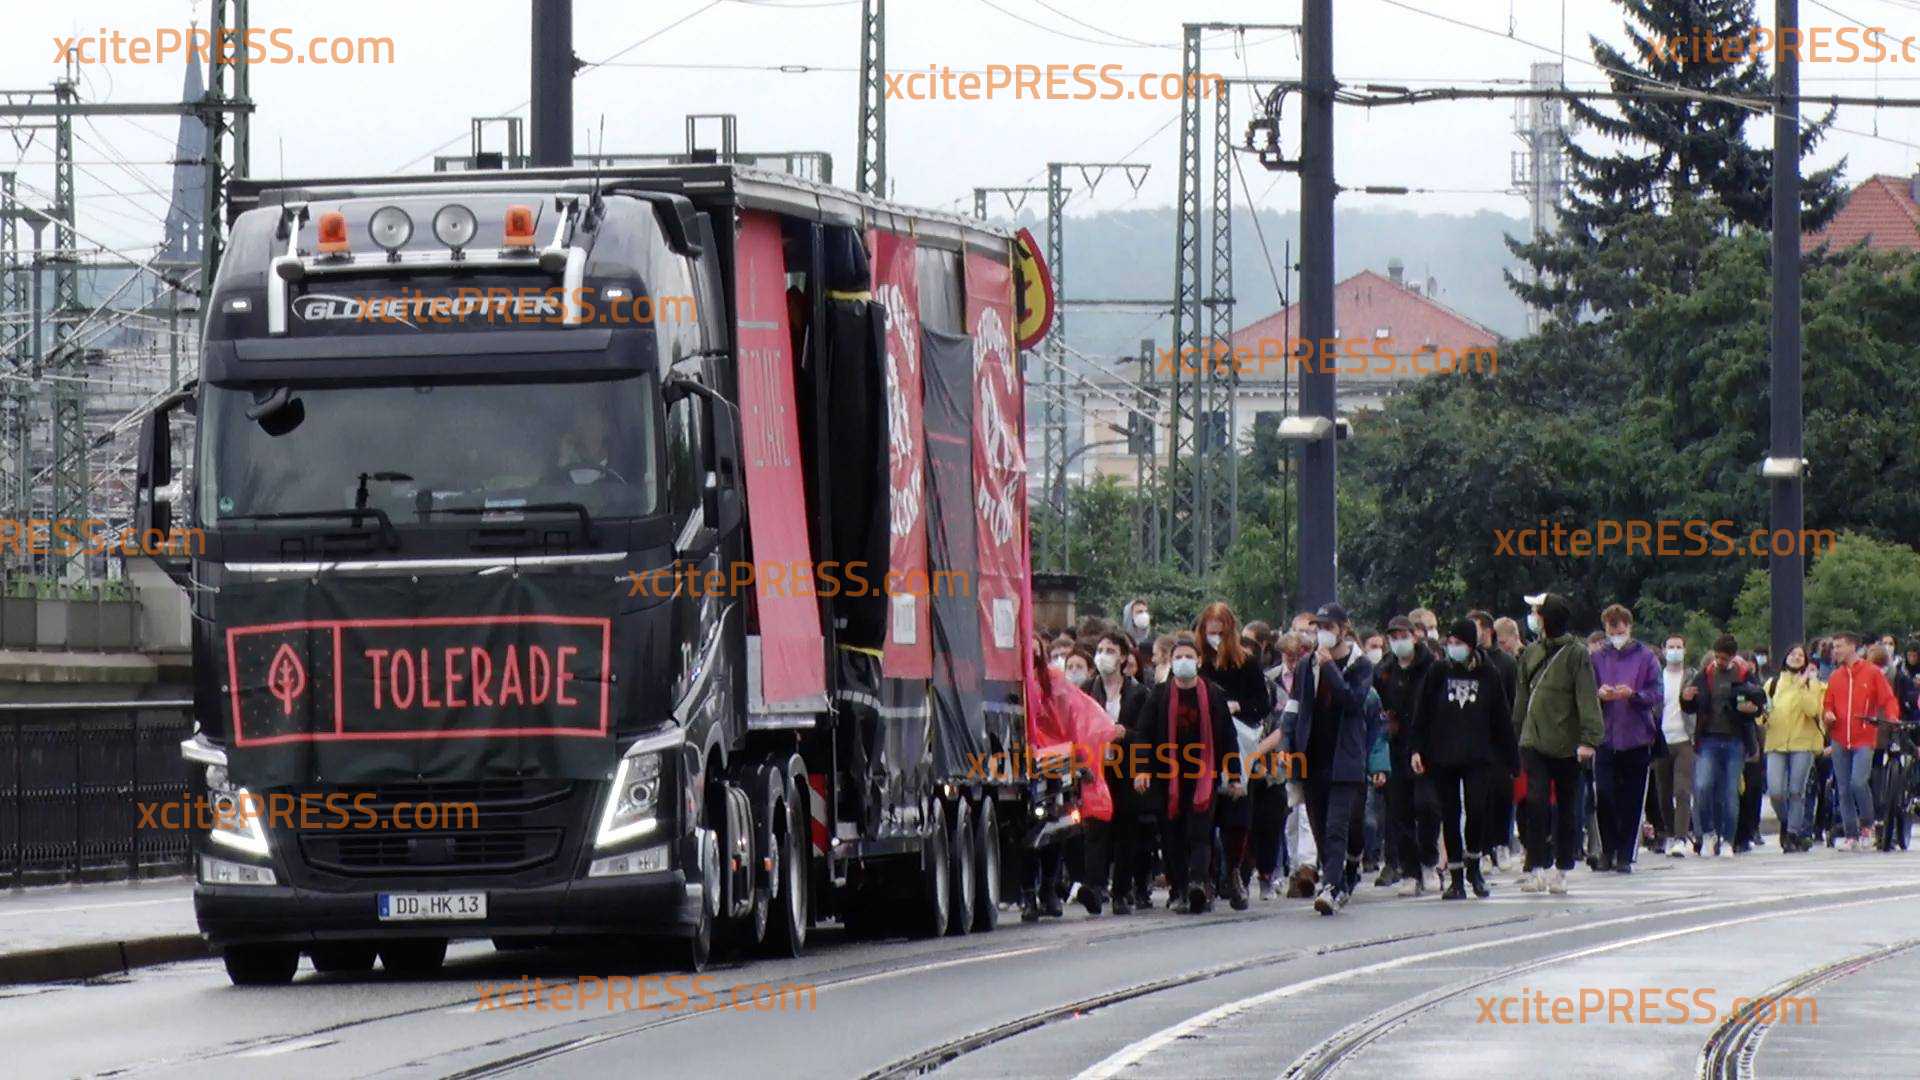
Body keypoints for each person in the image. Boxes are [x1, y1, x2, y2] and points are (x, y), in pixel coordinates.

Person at [1266, 602, 1383, 914]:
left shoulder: (1359, 665)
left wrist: (1330, 667)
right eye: (1319, 628)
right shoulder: (1307, 666)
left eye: (1329, 628)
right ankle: (1338, 879)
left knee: (1338, 826)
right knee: (1318, 825)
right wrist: (1287, 746)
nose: (1323, 634)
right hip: (1313, 756)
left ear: (1343, 630)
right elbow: (1295, 707)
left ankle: (1331, 886)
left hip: (1345, 757)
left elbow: (1352, 701)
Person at [1411, 619, 1518, 899]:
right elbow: (1422, 713)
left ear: (1471, 645)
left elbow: (1501, 718)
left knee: (1477, 809)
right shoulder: (1438, 671)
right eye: (1451, 643)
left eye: (1459, 643)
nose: (1453, 648)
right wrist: (1417, 749)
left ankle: (1474, 864)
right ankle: (1456, 876)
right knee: (1450, 813)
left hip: (1479, 755)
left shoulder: (1488, 673)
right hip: (1443, 755)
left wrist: (1511, 759)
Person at [1133, 634, 1239, 913]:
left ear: (1199, 661)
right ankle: (1179, 888)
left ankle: (1197, 883)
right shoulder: (1160, 694)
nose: (1183, 662)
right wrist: (1142, 768)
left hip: (1204, 774)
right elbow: (1143, 734)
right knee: (1171, 836)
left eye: (1188, 657)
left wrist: (1235, 774)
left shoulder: (1212, 693)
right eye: (1178, 657)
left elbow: (1228, 736)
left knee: (1200, 832)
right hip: (1167, 776)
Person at [1022, 636, 1123, 921]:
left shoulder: (1052, 681)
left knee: (1055, 828)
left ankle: (1049, 890)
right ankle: (1030, 893)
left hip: (1054, 760)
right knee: (1028, 831)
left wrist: (1082, 757)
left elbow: (1078, 714)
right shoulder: (1013, 680)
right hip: (1025, 761)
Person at [1513, 593, 1602, 895]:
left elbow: (1586, 697)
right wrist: (1516, 734)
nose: (1533, 617)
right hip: (1533, 740)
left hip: (1566, 744)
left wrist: (1589, 739)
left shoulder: (1576, 653)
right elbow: (1522, 697)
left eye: (1537, 612)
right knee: (1535, 802)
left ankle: (1562, 867)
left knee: (1567, 808)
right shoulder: (1530, 652)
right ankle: (1535, 865)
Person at [1195, 603, 1272, 910]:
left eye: (1219, 632)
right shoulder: (1199, 663)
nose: (1214, 638)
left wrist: (1238, 706)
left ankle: (1235, 872)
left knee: (1237, 810)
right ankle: (1208, 876)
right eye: (1209, 632)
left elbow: (1262, 704)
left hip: (1239, 740)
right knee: (1206, 812)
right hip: (1204, 745)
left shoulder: (1246, 663)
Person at [1589, 604, 1664, 874]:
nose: (1616, 634)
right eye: (1612, 629)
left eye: (1621, 629)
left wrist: (1633, 695)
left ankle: (1625, 853)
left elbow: (1656, 693)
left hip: (1637, 737)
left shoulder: (1646, 658)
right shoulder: (1596, 658)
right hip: (1606, 738)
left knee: (1632, 799)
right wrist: (1600, 694)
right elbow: (1586, 693)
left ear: (1629, 628)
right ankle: (1607, 849)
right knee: (1605, 795)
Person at [1680, 634, 1765, 858]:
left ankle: (1728, 839)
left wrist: (1752, 709)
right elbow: (1690, 704)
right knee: (1703, 786)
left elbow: (1759, 700)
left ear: (1733, 656)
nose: (1720, 661)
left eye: (1725, 658)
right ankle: (1708, 833)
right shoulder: (1706, 674)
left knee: (1729, 791)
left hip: (1735, 739)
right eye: (1717, 657)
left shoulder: (1745, 673)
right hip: (1708, 738)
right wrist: (1687, 698)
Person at [1375, 615, 1440, 895]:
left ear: (1414, 636)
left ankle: (1429, 861)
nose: (1399, 641)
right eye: (1394, 637)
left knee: (1427, 806)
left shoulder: (1431, 667)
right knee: (1399, 811)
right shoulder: (1385, 670)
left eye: (1404, 635)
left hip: (1427, 746)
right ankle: (1410, 870)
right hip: (1395, 746)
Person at [1086, 632, 1151, 911]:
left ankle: (1122, 892)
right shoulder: (1089, 690)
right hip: (1097, 768)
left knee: (1126, 830)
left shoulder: (1138, 693)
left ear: (1123, 656)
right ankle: (1094, 886)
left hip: (1126, 768)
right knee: (1096, 828)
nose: (1104, 655)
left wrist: (1126, 734)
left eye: (1110, 650)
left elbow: (1147, 734)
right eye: (1100, 649)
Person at [1823, 631, 1898, 851]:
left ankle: (1867, 824)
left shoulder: (1872, 673)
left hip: (1864, 736)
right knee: (1843, 787)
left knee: (1858, 781)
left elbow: (1888, 699)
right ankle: (1851, 834)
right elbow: (1828, 703)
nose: (1835, 651)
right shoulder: (1835, 676)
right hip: (1839, 737)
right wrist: (1827, 713)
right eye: (1834, 647)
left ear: (1852, 647)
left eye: (1839, 646)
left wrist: (1892, 717)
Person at [1758, 643, 1825, 853]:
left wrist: (1803, 686)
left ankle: (1794, 833)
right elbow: (1761, 714)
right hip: (1776, 742)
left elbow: (1813, 709)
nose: (1796, 657)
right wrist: (1762, 716)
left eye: (1800, 655)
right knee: (1776, 792)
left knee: (1797, 791)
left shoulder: (1813, 684)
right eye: (1793, 654)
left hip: (1802, 743)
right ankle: (1786, 823)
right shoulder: (1772, 683)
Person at [1650, 635, 1697, 857]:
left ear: (1685, 651)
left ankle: (1681, 836)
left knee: (1682, 789)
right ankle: (1669, 832)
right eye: (1671, 647)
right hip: (1661, 739)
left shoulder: (1692, 677)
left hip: (1684, 739)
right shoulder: (1657, 677)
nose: (1675, 650)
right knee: (1663, 791)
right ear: (1663, 650)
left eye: (1679, 647)